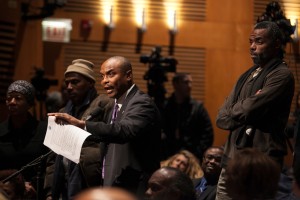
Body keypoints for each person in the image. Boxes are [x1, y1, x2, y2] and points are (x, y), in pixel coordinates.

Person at [48, 56, 162, 197]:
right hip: (112, 186)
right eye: (102, 76)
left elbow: (124, 130)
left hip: (134, 190)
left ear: (128, 75)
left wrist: (82, 124)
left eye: (111, 74)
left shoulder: (142, 103)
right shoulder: (114, 105)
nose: (105, 81)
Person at [215, 21, 295, 200]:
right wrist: (247, 107)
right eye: (251, 41)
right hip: (232, 160)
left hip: (261, 162)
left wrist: (244, 108)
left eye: (259, 41)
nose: (252, 47)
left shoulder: (281, 74)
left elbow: (249, 109)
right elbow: (221, 117)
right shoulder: (246, 75)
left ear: (276, 44)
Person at [44, 59, 114, 199]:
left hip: (91, 182)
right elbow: (53, 156)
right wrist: (49, 192)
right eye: (67, 83)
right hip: (63, 183)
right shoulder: (64, 111)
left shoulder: (104, 104)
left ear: (90, 83)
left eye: (75, 82)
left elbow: (112, 143)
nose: (69, 87)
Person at [0, 80, 48, 189]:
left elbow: (50, 168)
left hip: (36, 192)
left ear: (29, 104)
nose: (12, 102)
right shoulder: (1, 131)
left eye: (18, 98)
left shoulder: (43, 130)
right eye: (9, 98)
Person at [162, 72, 213, 161]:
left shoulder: (198, 108)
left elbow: (208, 135)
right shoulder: (165, 106)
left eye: (191, 82)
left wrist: (194, 155)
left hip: (192, 159)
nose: (190, 86)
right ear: (175, 84)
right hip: (168, 158)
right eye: (186, 82)